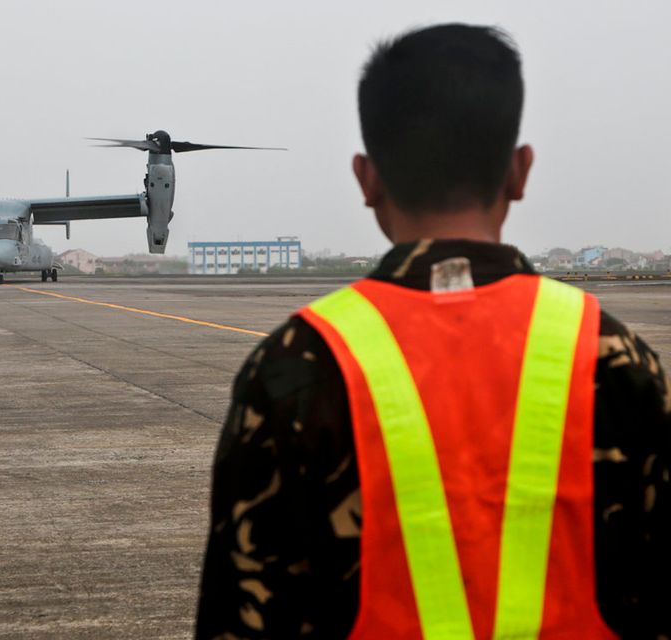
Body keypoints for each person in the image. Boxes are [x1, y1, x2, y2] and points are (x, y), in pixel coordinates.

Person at [195, 23, 670, 640]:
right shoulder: (616, 359)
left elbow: (243, 615)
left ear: (366, 179)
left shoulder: (295, 366)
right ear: (520, 172)